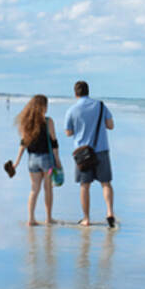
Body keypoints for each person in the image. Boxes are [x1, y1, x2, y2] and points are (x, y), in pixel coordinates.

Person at [64, 80, 115, 228]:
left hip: (82, 153)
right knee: (106, 183)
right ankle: (110, 212)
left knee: (84, 186)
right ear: (88, 91)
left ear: (75, 93)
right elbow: (110, 125)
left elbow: (68, 132)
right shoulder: (100, 105)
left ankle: (86, 219)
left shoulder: (72, 110)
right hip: (101, 149)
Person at [10, 94, 62, 226]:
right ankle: (48, 218)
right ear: (43, 106)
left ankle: (31, 219)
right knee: (48, 189)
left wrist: (17, 162)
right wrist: (57, 160)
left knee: (34, 189)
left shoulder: (26, 123)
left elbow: (23, 143)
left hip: (32, 159)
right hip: (46, 160)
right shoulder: (48, 121)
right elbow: (54, 142)